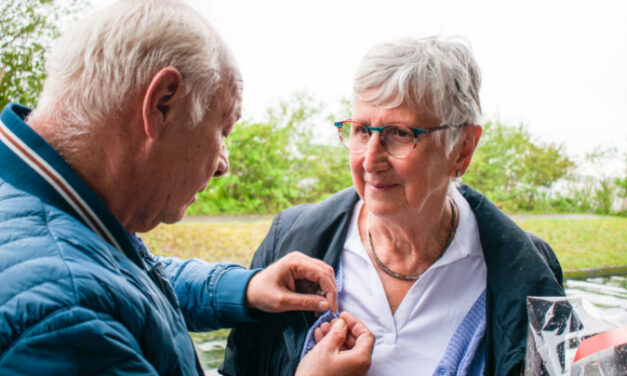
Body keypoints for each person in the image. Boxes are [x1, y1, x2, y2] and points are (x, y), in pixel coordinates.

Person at [0, 1, 374, 374]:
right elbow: (90, 290)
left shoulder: (53, 212)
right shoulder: (67, 319)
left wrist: (248, 288)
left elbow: (127, 278)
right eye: (222, 129)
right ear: (161, 104)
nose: (223, 165)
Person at [222, 37, 565, 376]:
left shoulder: (531, 273)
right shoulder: (291, 241)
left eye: (400, 133)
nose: (370, 160)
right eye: (360, 130)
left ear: (462, 148)